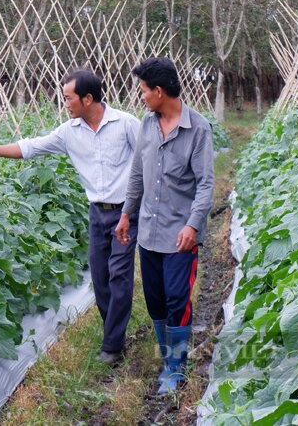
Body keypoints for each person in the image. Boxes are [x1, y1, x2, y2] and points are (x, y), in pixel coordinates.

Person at [0, 69, 140, 365]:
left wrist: (136, 210)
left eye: (68, 98)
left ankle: (112, 346)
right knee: (100, 279)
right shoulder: (68, 132)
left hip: (126, 212)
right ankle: (115, 334)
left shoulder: (126, 124)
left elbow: (146, 163)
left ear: (88, 98)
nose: (65, 104)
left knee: (120, 276)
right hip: (97, 213)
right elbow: (30, 147)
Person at [115, 57, 214, 394]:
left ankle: (175, 367)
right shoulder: (147, 125)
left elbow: (205, 184)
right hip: (149, 231)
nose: (141, 96)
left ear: (159, 91)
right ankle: (167, 356)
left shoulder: (197, 128)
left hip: (179, 236)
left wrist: (193, 225)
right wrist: (127, 212)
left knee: (177, 299)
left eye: (143, 91)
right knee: (156, 300)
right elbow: (137, 172)